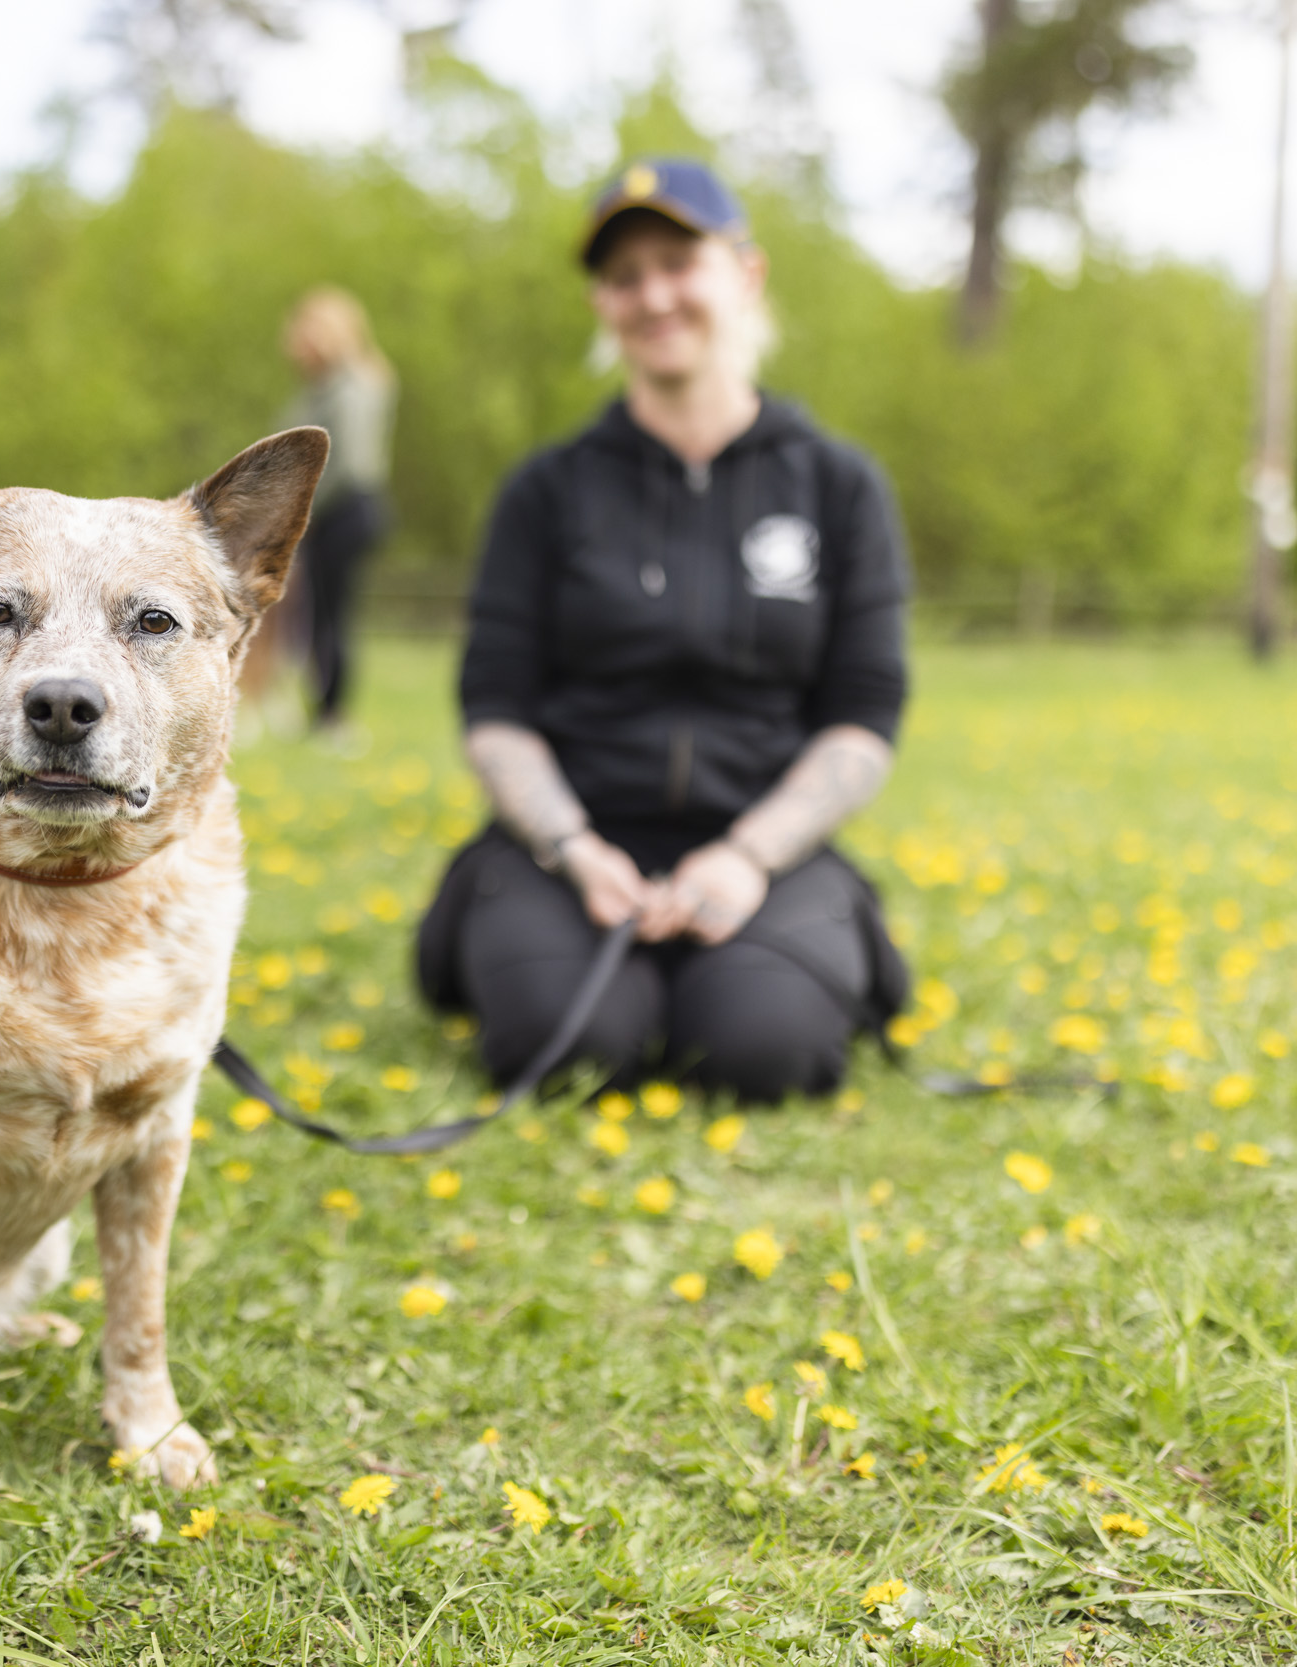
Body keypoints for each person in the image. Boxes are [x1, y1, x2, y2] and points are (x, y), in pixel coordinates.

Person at [417, 159, 910, 1104]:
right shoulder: (546, 490)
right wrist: (573, 847)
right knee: (569, 1049)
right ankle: (516, 931)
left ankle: (789, 949)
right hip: (570, 845)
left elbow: (864, 713)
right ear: (603, 301)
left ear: (746, 273)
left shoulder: (840, 487)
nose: (653, 296)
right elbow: (496, 706)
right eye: (623, 275)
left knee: (766, 1052)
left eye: (679, 262)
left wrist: (749, 854)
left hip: (765, 842)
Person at [256, 287, 395, 740]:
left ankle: (333, 718)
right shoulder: (325, 386)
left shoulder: (354, 386)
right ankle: (320, 713)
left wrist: (296, 513)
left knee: (330, 616)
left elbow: (345, 462)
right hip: (330, 509)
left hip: (342, 510)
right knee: (315, 615)